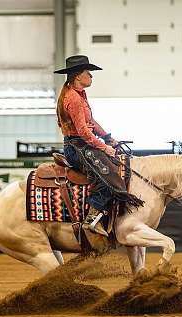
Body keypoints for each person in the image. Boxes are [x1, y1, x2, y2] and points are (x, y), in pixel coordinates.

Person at [54, 55, 144, 237]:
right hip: (77, 147)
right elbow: (83, 132)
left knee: (111, 170)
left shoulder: (79, 94)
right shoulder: (74, 98)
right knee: (107, 176)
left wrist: (108, 138)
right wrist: (104, 147)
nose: (91, 76)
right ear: (78, 75)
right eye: (89, 73)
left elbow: (91, 122)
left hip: (82, 145)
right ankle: (91, 218)